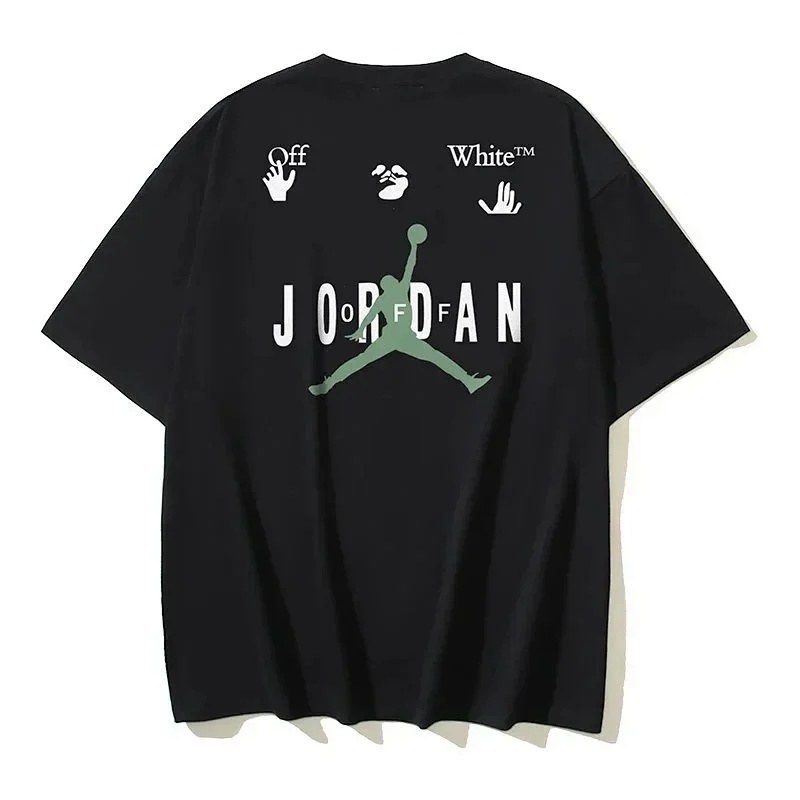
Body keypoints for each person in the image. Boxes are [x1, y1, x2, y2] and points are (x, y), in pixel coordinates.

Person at [308, 224, 492, 395]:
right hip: (396, 337)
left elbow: (371, 315)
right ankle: (468, 381)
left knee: (361, 360)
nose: (396, 280)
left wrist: (361, 330)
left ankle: (468, 382)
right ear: (389, 285)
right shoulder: (396, 292)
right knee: (435, 357)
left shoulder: (388, 296)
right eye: (392, 280)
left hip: (401, 337)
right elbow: (409, 267)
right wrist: (413, 247)